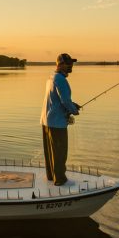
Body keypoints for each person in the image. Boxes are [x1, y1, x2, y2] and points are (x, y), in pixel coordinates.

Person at [40, 53, 81, 186]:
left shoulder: (51, 78)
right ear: (61, 64)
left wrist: (72, 104)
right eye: (69, 63)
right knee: (60, 152)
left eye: (72, 63)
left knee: (50, 152)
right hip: (57, 123)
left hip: (46, 121)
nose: (71, 66)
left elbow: (57, 100)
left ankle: (51, 176)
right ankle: (60, 180)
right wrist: (74, 110)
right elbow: (64, 101)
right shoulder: (61, 80)